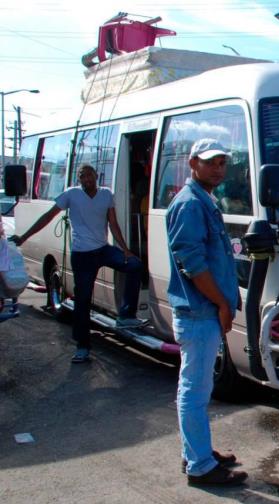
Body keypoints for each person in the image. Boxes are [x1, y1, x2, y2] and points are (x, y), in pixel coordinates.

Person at [166, 139, 246, 486]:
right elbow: (193, 265)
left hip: (203, 312)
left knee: (198, 387)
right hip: (199, 312)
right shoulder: (189, 205)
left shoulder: (203, 199)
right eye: (212, 162)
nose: (219, 169)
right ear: (193, 163)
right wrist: (223, 303)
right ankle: (199, 466)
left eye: (223, 163)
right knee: (195, 390)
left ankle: (197, 451)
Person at [11, 164, 145, 364]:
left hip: (103, 250)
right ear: (79, 179)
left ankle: (126, 314)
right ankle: (82, 347)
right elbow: (48, 217)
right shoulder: (71, 194)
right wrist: (24, 237)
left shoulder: (106, 194)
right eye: (82, 177)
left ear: (96, 176)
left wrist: (125, 250)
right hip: (82, 255)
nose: (86, 179)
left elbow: (113, 224)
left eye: (89, 175)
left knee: (134, 265)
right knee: (82, 301)